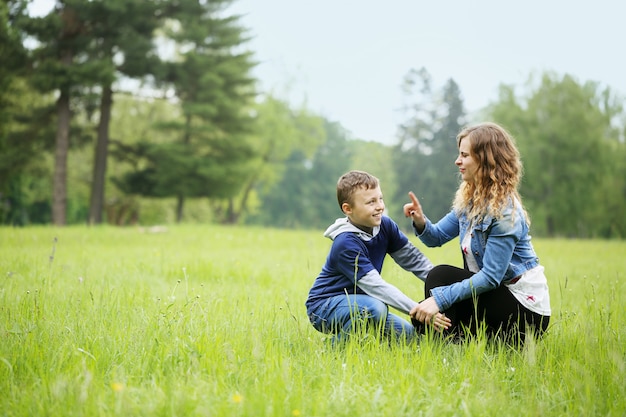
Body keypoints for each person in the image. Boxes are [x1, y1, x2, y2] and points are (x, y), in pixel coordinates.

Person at [404, 122, 551, 345]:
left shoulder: (505, 212)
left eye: (464, 155)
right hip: (495, 299)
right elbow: (436, 238)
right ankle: (450, 349)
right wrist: (420, 220)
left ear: (485, 160)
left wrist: (439, 299)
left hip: (525, 314)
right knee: (421, 318)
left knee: (439, 277)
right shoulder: (470, 202)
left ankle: (448, 348)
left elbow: (490, 277)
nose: (457, 161)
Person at [305, 170, 451, 344]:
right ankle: (331, 348)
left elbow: (414, 260)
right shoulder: (345, 243)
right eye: (371, 202)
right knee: (376, 308)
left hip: (365, 305)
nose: (380, 206)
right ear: (348, 209)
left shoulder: (385, 226)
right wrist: (419, 310)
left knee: (415, 342)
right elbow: (377, 287)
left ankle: (358, 340)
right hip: (324, 307)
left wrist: (448, 291)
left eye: (380, 198)